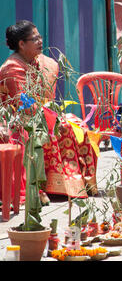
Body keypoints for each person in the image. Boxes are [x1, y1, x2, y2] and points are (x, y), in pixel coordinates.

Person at [0, 20, 98, 200]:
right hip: (16, 120)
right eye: (34, 38)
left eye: (40, 37)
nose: (40, 41)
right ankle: (46, 187)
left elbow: (46, 100)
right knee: (50, 132)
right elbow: (25, 103)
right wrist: (53, 121)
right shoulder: (12, 67)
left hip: (40, 115)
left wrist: (55, 117)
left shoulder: (39, 62)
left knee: (77, 125)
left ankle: (81, 182)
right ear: (21, 44)